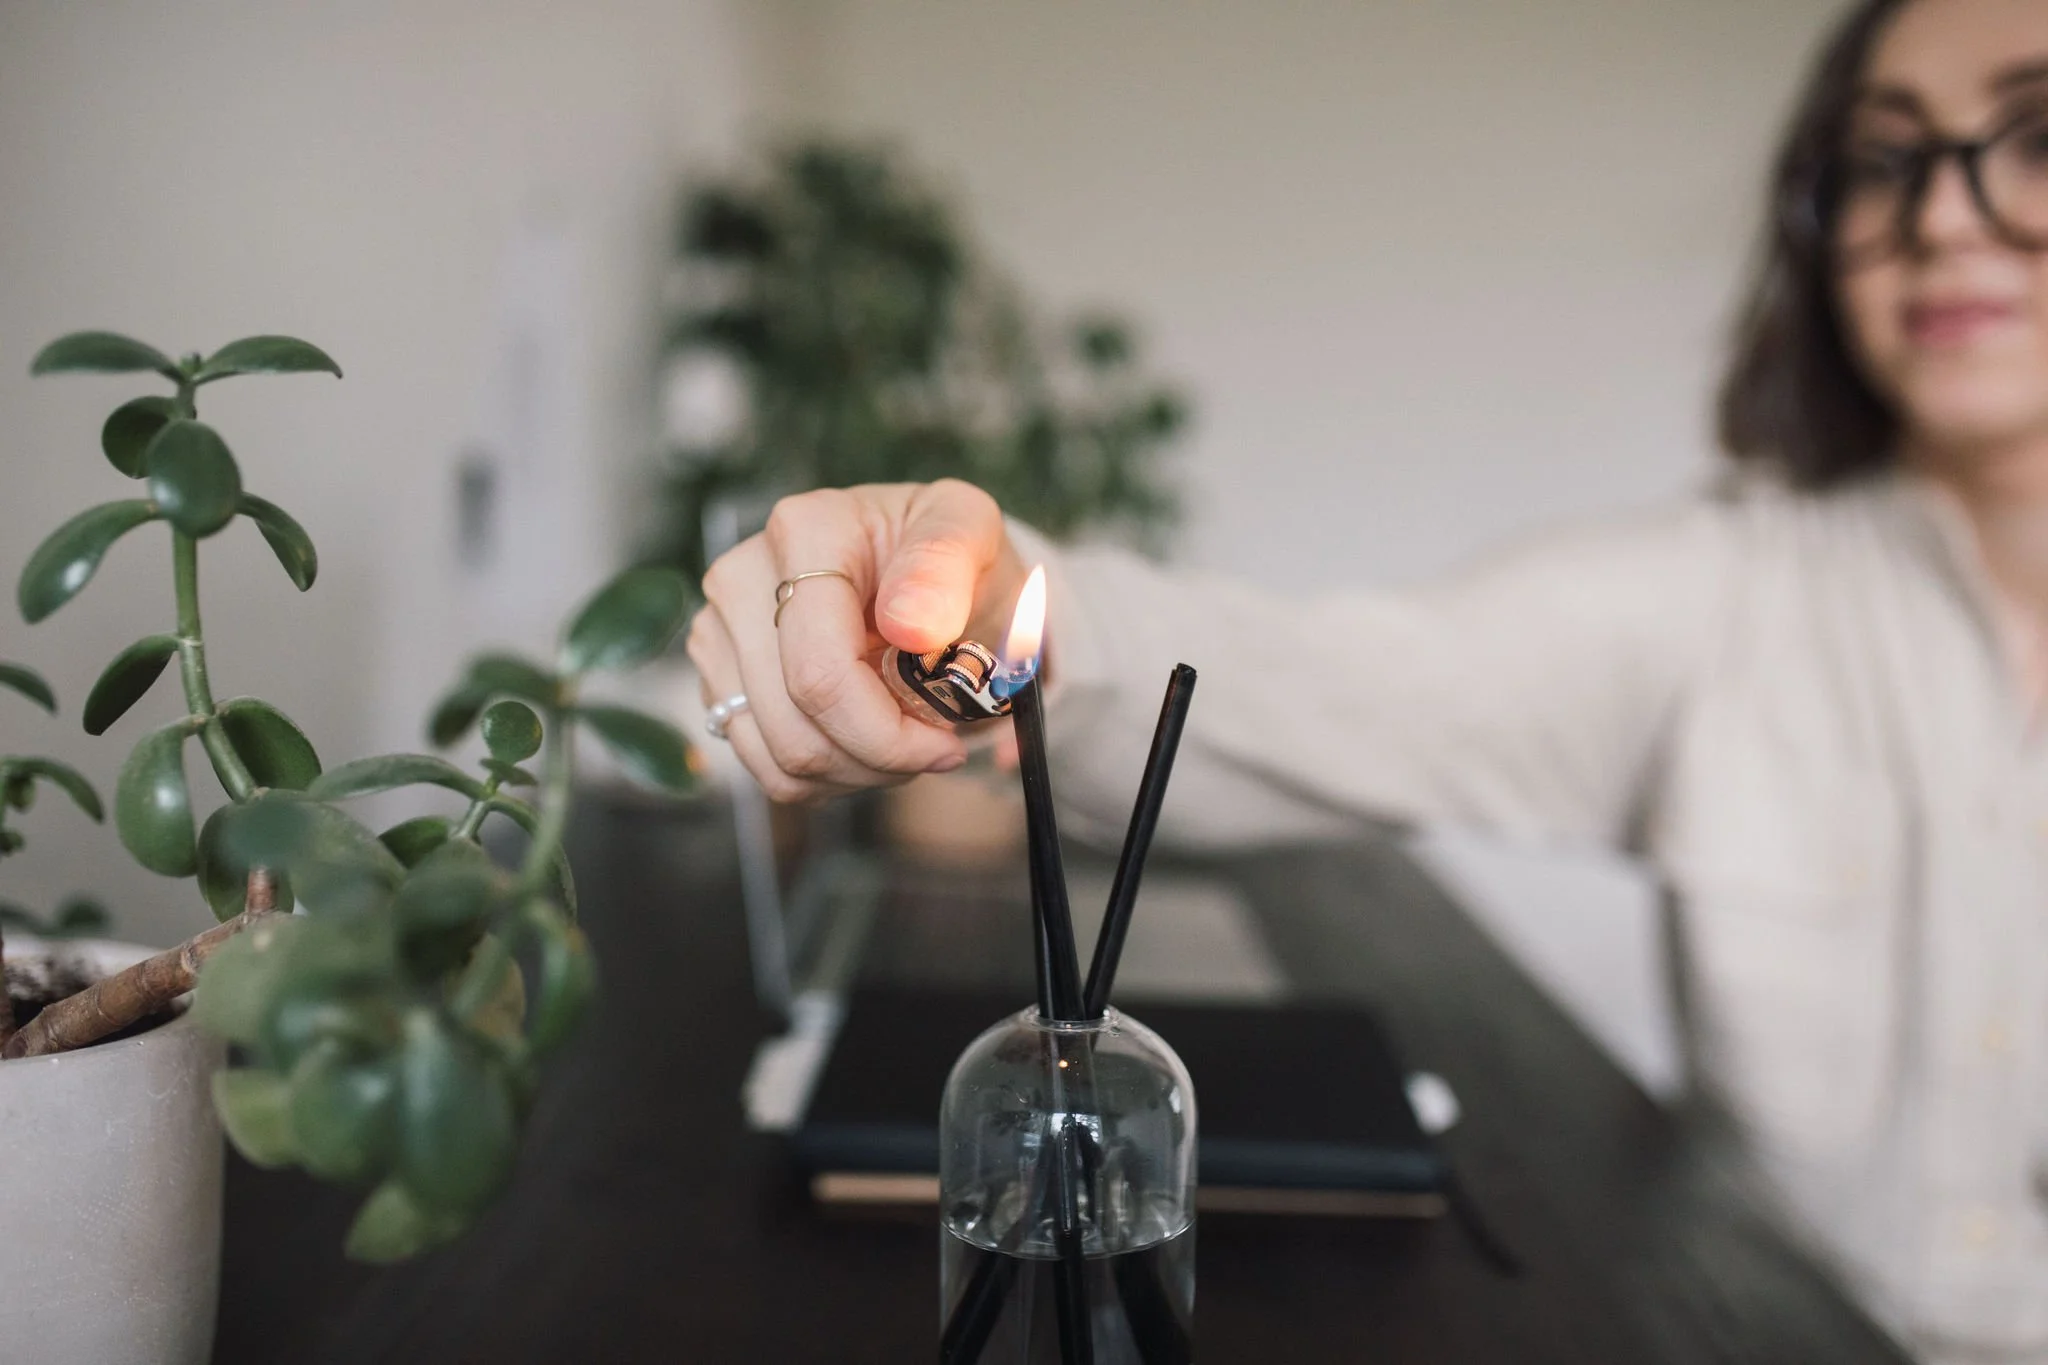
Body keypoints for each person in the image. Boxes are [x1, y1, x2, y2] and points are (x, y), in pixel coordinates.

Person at [689, 0, 2048, 1357]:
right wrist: (970, 592)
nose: (1940, 219)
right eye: (1884, 160)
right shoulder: (1728, 601)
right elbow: (1317, 686)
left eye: (2036, 136)